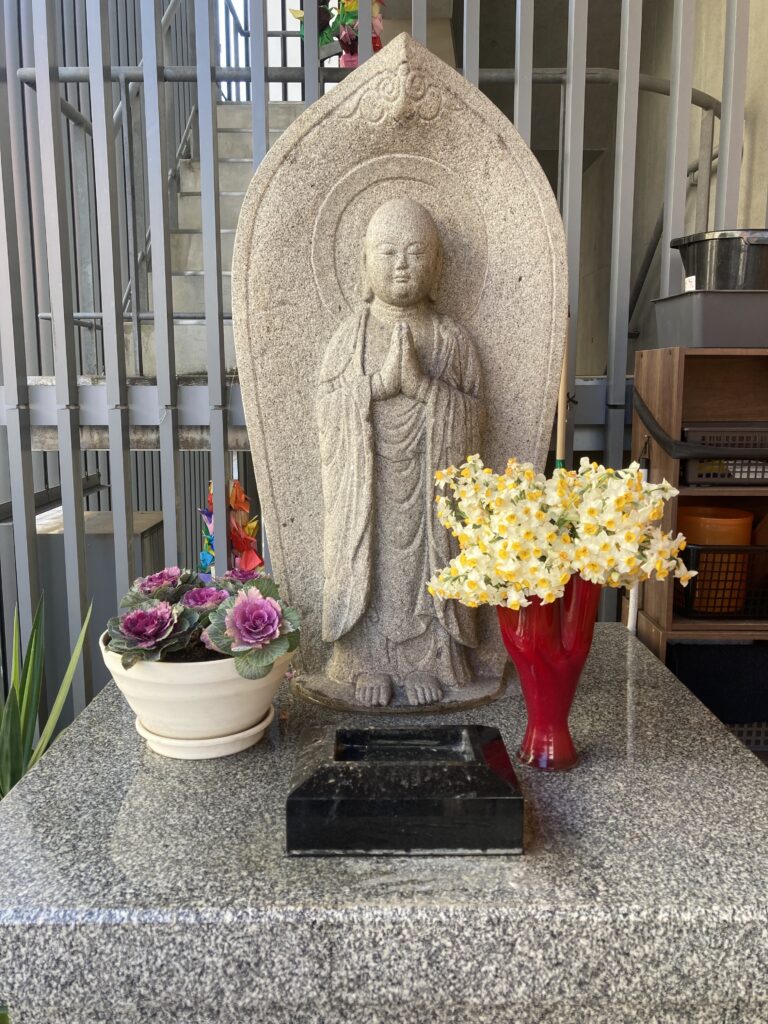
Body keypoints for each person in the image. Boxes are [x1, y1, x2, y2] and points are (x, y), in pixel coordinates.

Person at [317, 198, 484, 706]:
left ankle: (429, 662)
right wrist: (377, 386)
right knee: (367, 558)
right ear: (365, 262)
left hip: (431, 489)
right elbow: (327, 412)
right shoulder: (349, 338)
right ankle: (366, 660)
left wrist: (424, 389)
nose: (402, 265)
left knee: (430, 565)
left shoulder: (452, 340)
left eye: (416, 252)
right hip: (366, 488)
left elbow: (475, 421)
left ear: (437, 265)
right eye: (388, 253)